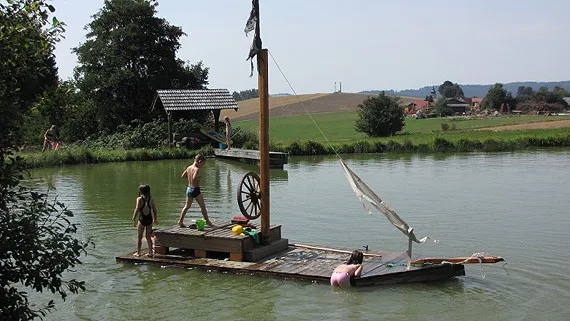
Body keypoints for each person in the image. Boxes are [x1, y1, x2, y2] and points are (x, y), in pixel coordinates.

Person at [177, 154, 213, 227]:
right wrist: (198, 179)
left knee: (186, 206)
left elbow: (183, 176)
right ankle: (207, 221)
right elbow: (194, 178)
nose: (202, 166)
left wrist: (189, 179)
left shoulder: (189, 167)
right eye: (202, 164)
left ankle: (180, 221)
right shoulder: (196, 169)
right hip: (195, 189)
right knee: (203, 206)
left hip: (189, 189)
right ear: (199, 161)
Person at [132, 184, 158, 257]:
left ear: (140, 191)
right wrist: (155, 219)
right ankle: (150, 252)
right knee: (148, 237)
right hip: (149, 219)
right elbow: (155, 210)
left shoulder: (139, 199)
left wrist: (133, 218)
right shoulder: (151, 200)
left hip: (142, 219)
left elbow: (137, 209)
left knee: (139, 237)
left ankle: (138, 252)